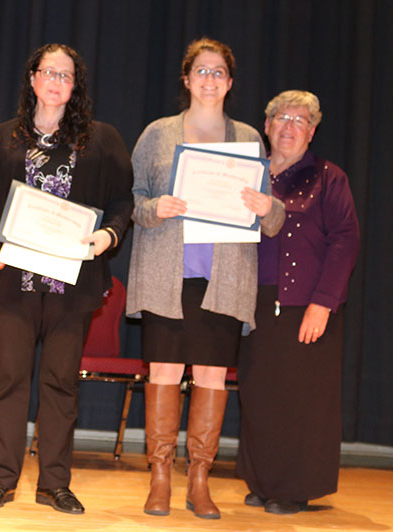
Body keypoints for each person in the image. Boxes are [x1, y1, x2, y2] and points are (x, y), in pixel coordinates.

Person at [0, 43, 133, 515]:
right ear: (33, 79)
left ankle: (55, 484)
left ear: (75, 85)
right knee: (9, 380)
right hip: (13, 282)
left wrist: (108, 235)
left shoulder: (101, 140)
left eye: (66, 75)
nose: (56, 81)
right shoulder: (3, 137)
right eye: (49, 72)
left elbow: (122, 202)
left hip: (71, 285)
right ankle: (1, 479)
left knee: (61, 383)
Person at [126, 37, 285, 520]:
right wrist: (156, 207)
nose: (210, 79)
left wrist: (267, 206)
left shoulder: (249, 140)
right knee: (164, 374)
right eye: (202, 70)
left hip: (224, 280)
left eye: (218, 72)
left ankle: (199, 479)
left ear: (230, 82)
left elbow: (272, 220)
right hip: (167, 278)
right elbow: (133, 201)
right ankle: (159, 476)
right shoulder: (158, 134)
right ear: (187, 78)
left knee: (212, 377)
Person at [236, 90, 360, 515]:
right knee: (259, 396)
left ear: (312, 131)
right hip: (254, 302)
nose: (289, 127)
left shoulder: (329, 177)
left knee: (302, 401)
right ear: (267, 126)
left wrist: (323, 303)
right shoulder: (247, 174)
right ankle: (262, 481)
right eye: (281, 118)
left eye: (300, 120)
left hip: (307, 304)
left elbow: (345, 241)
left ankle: (292, 489)